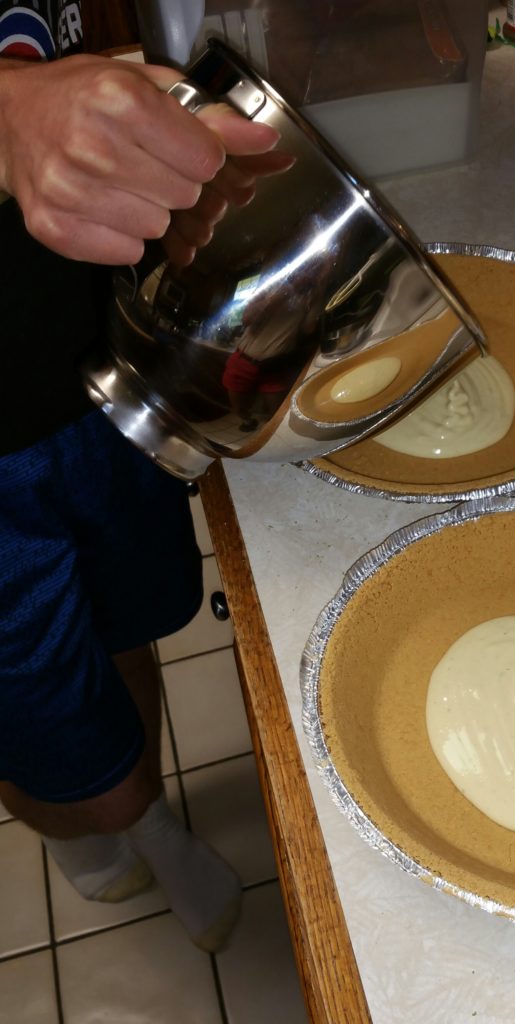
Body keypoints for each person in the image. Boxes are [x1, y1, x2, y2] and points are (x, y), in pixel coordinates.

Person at [0, 2, 292, 953]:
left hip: (98, 360)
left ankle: (150, 819)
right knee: (34, 712)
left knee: (130, 628)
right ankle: (101, 830)